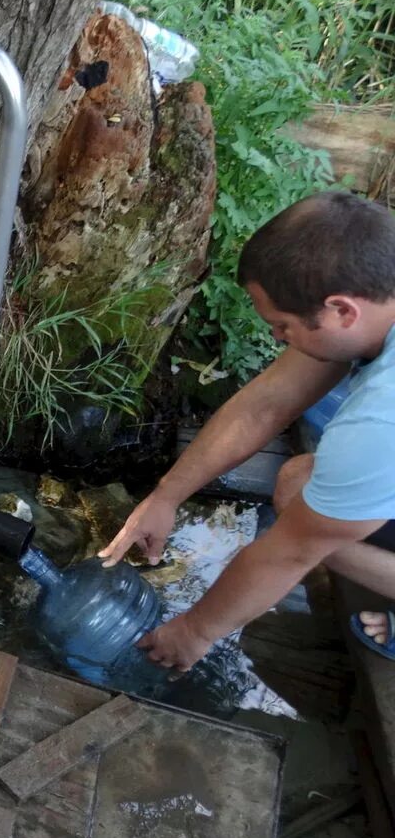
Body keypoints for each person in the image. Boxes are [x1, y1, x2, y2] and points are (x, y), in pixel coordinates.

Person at [98, 190, 395, 671]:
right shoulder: (379, 292)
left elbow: (289, 554)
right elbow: (265, 405)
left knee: (307, 513)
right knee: (302, 481)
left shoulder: (379, 423)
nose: (277, 340)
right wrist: (165, 497)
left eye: (283, 326)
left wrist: (194, 631)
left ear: (342, 310)